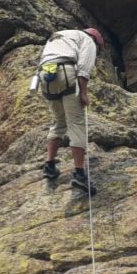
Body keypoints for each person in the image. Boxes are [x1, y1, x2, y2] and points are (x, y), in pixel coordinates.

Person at [37, 26, 106, 193]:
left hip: (45, 76)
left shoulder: (60, 36)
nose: (96, 51)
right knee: (76, 124)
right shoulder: (88, 40)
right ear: (96, 40)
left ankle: (49, 166)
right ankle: (79, 174)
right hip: (66, 73)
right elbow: (84, 67)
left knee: (58, 122)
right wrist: (83, 92)